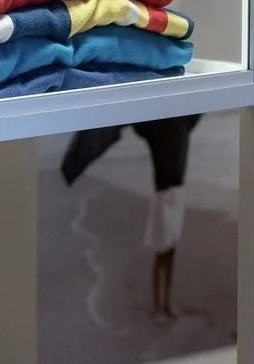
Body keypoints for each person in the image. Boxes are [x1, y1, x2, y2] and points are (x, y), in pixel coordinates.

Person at [60, 116, 200, 323]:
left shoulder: (177, 119)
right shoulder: (167, 121)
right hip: (164, 195)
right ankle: (157, 307)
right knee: (162, 251)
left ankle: (166, 304)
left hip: (177, 193)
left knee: (169, 250)